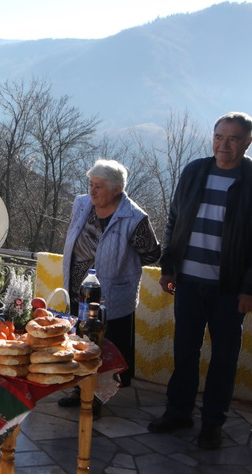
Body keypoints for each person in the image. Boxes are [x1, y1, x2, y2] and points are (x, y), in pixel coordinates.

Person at [148, 111, 252, 450]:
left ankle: (212, 423)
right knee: (184, 351)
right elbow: (174, 220)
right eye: (219, 136)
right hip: (188, 282)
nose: (223, 144)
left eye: (233, 138)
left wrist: (249, 288)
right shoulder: (194, 171)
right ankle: (178, 412)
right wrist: (168, 267)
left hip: (229, 288)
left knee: (224, 358)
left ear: (247, 142)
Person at [58, 159, 161, 413]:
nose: (92, 191)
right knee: (78, 342)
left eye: (99, 186)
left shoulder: (134, 217)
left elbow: (151, 254)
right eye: (91, 184)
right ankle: (78, 388)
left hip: (111, 295)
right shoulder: (82, 204)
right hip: (78, 291)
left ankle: (98, 397)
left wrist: (121, 262)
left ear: (117, 190)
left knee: (105, 347)